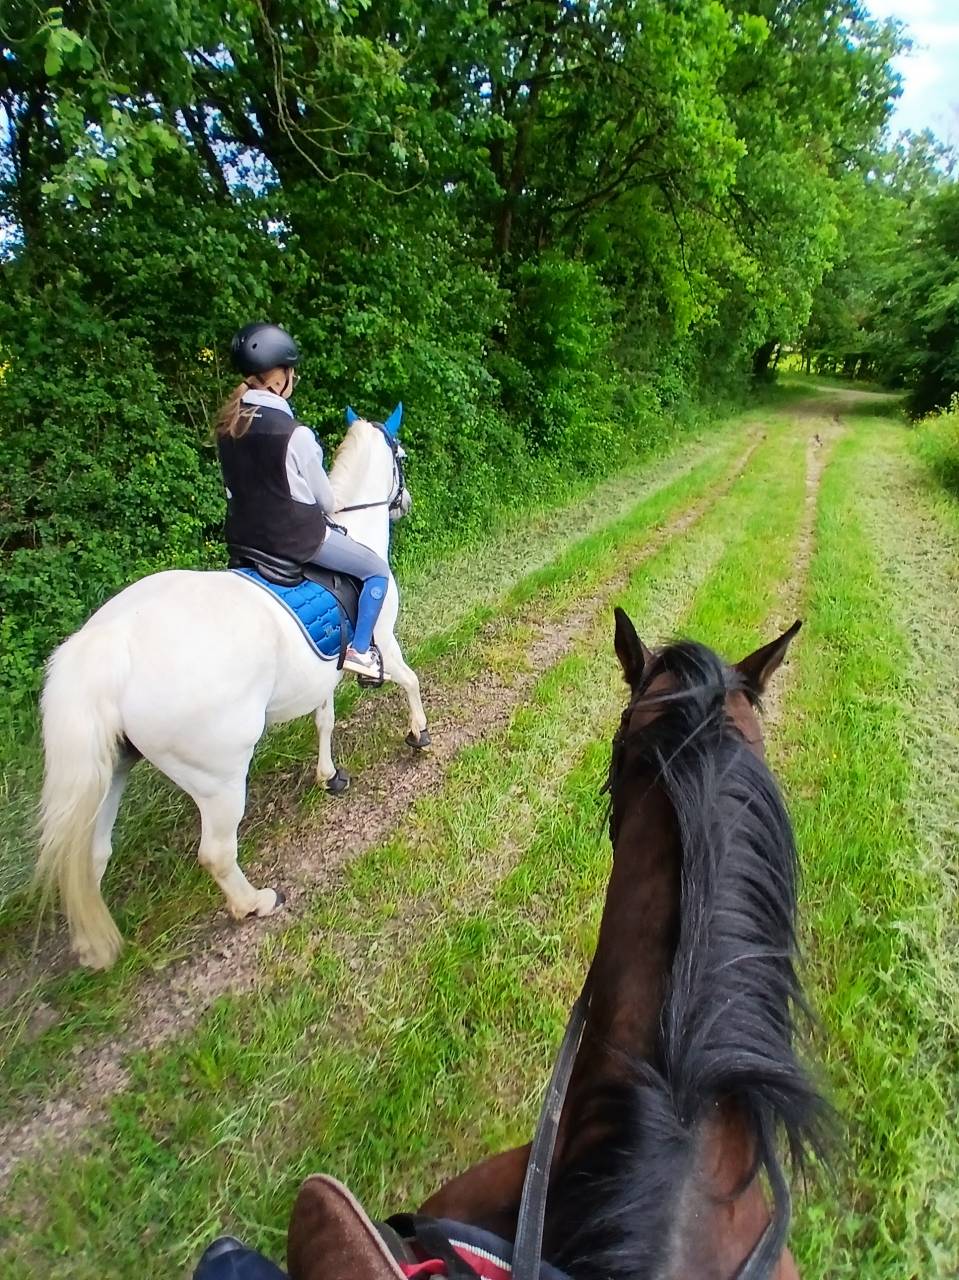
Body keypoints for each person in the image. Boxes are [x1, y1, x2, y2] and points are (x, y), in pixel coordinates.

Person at [216, 322, 389, 679]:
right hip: (295, 542)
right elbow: (326, 502)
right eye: (290, 372)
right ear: (279, 379)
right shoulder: (295, 435)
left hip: (244, 544)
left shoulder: (228, 428)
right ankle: (359, 651)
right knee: (376, 571)